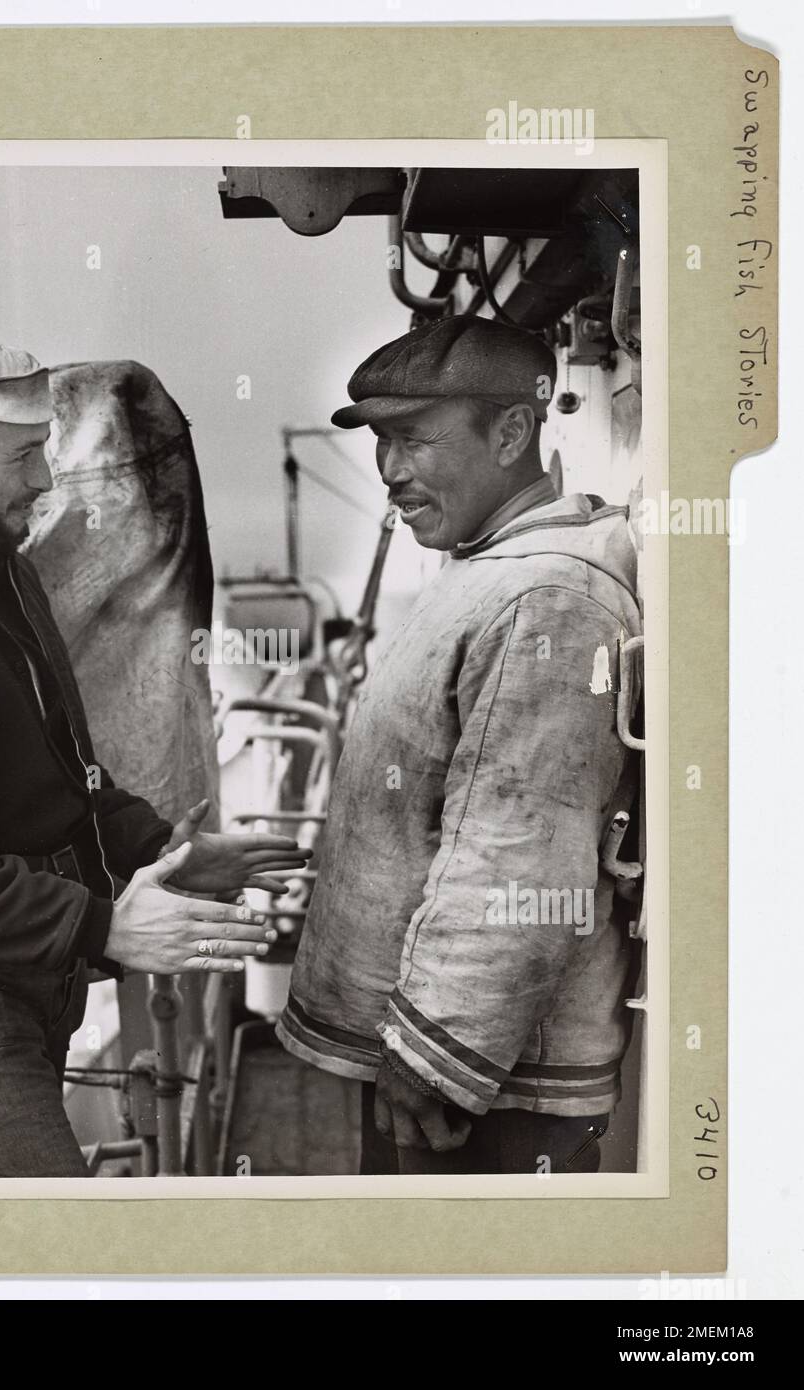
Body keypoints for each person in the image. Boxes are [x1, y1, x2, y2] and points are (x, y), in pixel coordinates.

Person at [0, 326, 309, 1178]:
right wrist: (102, 923)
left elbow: (65, 776)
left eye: (46, 450)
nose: (46, 481)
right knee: (57, 1237)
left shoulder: (2, 570)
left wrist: (168, 850)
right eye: (20, 459)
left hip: (42, 977)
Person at [276, 314, 643, 1175]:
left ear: (512, 431)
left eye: (412, 440)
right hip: (444, 1064)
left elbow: (516, 854)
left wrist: (433, 1057)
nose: (390, 472)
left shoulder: (544, 598)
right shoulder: (491, 568)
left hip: (480, 1092)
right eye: (380, 443)